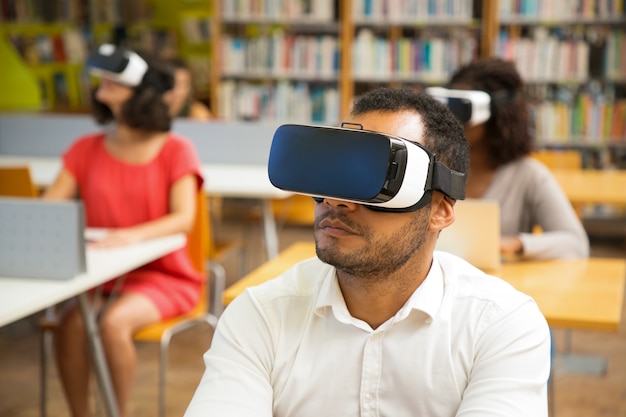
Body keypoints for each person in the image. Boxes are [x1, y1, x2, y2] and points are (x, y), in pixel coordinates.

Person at [184, 87, 551, 417]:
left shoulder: (502, 325)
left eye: (377, 178)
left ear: (439, 209)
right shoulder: (261, 317)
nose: (335, 200)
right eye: (334, 170)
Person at [43, 44, 204, 417]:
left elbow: (184, 219)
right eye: (100, 80)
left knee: (112, 324)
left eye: (113, 80)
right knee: (72, 325)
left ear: (139, 92)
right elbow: (50, 208)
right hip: (101, 275)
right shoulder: (84, 149)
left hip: (163, 275)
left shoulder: (176, 149)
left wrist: (134, 235)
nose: (102, 85)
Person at [446, 57, 589, 260]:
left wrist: (514, 244)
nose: (453, 120)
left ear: (497, 114)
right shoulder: (435, 165)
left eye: (464, 109)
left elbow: (576, 244)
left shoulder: (529, 175)